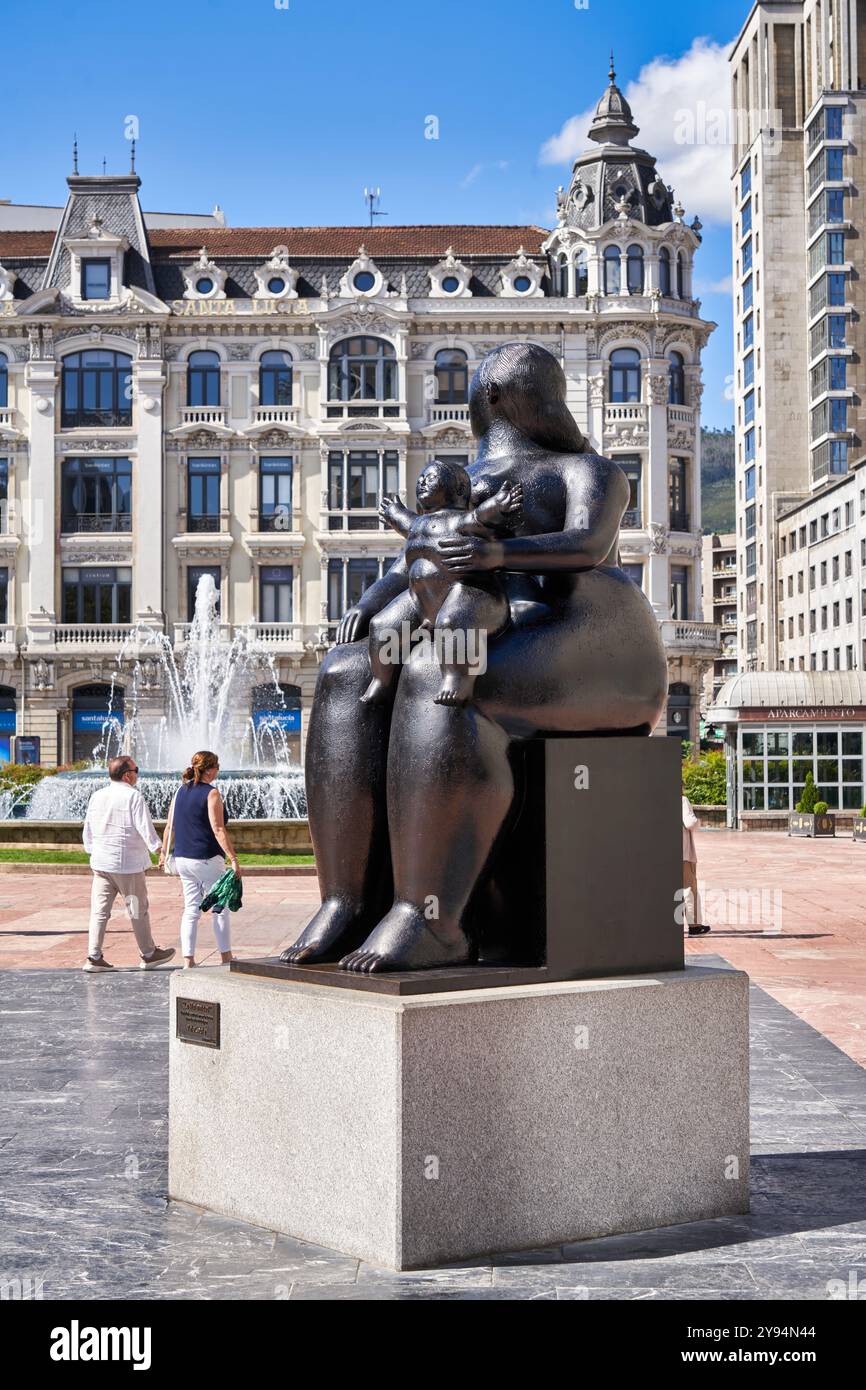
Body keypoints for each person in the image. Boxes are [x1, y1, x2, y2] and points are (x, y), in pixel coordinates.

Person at [281, 341, 669, 974]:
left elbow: (589, 544)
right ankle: (347, 901)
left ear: (488, 400)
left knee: (444, 668)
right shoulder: (463, 482)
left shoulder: (586, 471)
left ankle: (431, 918)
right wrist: (375, 600)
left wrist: (498, 558)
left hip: (581, 633)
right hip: (492, 624)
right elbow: (418, 558)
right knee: (345, 675)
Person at [362, 461, 521, 708]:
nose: (422, 481)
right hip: (420, 602)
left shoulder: (460, 521)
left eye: (431, 477)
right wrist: (393, 511)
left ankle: (459, 678)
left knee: (456, 623)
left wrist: (499, 504)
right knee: (383, 625)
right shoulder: (417, 524)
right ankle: (382, 680)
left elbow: (481, 516)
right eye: (421, 477)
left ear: (458, 489)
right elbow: (403, 520)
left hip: (469, 595)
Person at [82, 756, 176, 973]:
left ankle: (94, 956)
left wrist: (92, 850)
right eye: (136, 770)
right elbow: (145, 827)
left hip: (102, 864)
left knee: (99, 911)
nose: (137, 774)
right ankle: (149, 953)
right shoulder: (133, 796)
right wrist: (160, 851)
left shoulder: (97, 796)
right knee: (137, 910)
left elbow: (88, 828)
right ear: (127, 775)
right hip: (127, 866)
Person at [161, 750, 241, 968]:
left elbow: (170, 826)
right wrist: (233, 858)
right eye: (217, 767)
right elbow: (218, 829)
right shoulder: (212, 793)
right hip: (206, 858)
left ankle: (188, 960)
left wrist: (163, 854)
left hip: (182, 859)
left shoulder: (179, 792)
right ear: (210, 769)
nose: (218, 771)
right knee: (219, 907)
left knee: (191, 909)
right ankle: (226, 957)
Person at [682, 795, 710, 936]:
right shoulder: (682, 800)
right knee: (689, 888)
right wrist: (697, 821)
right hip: (684, 853)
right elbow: (690, 823)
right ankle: (694, 926)